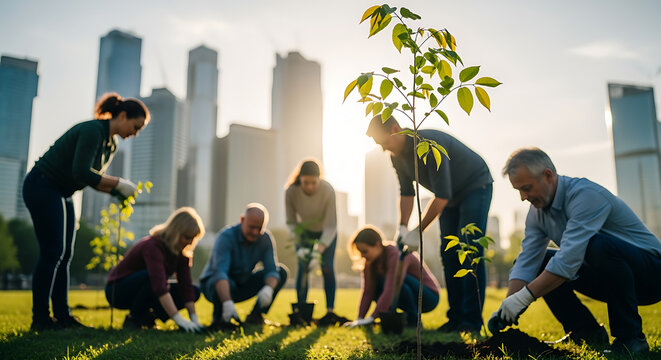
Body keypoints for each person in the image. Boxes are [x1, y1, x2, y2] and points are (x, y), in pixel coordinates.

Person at [490, 148, 661, 354]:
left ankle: (630, 339)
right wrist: (507, 307)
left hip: (651, 275)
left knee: (595, 245)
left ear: (548, 175)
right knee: (543, 260)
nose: (522, 197)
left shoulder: (585, 195)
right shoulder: (537, 213)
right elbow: (527, 262)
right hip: (609, 277)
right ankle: (585, 331)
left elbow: (568, 260)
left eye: (526, 188)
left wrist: (524, 298)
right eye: (518, 190)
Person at [23, 92, 149, 330]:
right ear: (122, 116)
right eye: (136, 126)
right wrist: (119, 183)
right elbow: (81, 172)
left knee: (65, 255)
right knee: (53, 252)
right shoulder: (93, 131)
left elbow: (95, 180)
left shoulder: (111, 144)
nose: (136, 132)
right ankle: (40, 319)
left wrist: (118, 192)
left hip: (64, 193)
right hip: (42, 185)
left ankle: (62, 316)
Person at [366, 114, 493, 333]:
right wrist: (403, 228)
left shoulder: (429, 146)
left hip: (475, 186)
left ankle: (471, 321)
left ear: (395, 129)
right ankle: (456, 319)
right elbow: (406, 193)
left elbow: (441, 197)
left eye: (384, 142)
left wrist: (418, 231)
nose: (384, 149)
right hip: (450, 197)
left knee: (469, 247)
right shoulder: (396, 156)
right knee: (448, 252)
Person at [105, 207, 204, 333]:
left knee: (194, 291)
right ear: (176, 232)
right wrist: (179, 320)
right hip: (118, 290)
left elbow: (186, 286)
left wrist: (194, 319)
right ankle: (134, 318)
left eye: (193, 238)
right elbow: (159, 286)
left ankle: (147, 317)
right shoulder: (153, 246)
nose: (190, 242)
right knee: (152, 278)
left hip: (150, 288)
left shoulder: (182, 253)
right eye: (187, 237)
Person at [200, 203, 288, 327]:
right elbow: (220, 273)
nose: (255, 232)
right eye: (251, 227)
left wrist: (268, 288)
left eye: (259, 228)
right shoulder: (226, 237)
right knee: (222, 281)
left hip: (242, 282)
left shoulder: (265, 239)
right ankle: (219, 319)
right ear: (242, 220)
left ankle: (256, 316)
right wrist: (227, 302)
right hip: (215, 286)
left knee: (281, 272)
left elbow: (271, 270)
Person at [344, 226, 440, 328]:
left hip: (428, 297)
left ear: (377, 245)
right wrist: (360, 319)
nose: (362, 255)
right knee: (378, 285)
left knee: (391, 281)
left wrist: (372, 318)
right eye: (360, 252)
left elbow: (392, 287)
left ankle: (413, 321)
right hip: (406, 292)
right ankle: (392, 319)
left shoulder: (396, 253)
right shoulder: (369, 263)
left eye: (365, 251)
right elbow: (368, 292)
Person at [285, 159, 341, 324]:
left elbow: (331, 225)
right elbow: (291, 222)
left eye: (313, 183)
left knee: (327, 268)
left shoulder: (328, 190)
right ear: (300, 178)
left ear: (319, 179)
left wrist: (318, 252)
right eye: (305, 182)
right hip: (304, 232)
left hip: (326, 231)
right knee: (303, 267)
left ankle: (330, 311)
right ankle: (301, 311)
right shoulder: (290, 192)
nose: (309, 186)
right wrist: (301, 247)